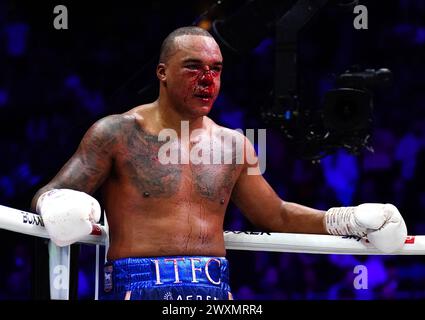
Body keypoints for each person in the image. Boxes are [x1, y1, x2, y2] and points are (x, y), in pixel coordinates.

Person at [31, 26, 407, 300]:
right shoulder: (116, 133)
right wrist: (56, 204)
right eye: (193, 67)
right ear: (162, 73)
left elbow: (275, 215)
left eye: (216, 68)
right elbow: (50, 194)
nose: (207, 79)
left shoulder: (233, 145)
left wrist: (348, 220)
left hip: (215, 290)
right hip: (139, 285)